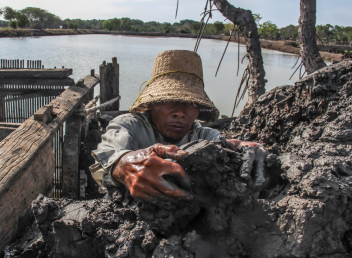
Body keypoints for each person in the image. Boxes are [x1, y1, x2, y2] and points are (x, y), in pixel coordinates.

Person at [90, 50, 266, 203]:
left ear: (199, 109)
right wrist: (123, 166)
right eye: (168, 101)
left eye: (190, 103)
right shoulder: (128, 125)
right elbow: (104, 160)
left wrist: (246, 149)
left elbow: (227, 147)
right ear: (151, 104)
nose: (180, 112)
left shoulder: (206, 136)